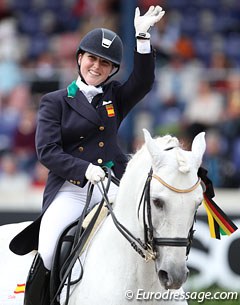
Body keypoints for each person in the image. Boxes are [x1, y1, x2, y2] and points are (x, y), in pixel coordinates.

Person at [9, 5, 165, 305]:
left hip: (112, 185)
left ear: (112, 70)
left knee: (147, 231)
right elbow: (47, 151)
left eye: (105, 63)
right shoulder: (54, 102)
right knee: (51, 246)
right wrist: (83, 170)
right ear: (80, 58)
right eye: (92, 58)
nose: (97, 66)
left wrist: (142, 36)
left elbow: (143, 82)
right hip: (73, 190)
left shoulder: (115, 96)